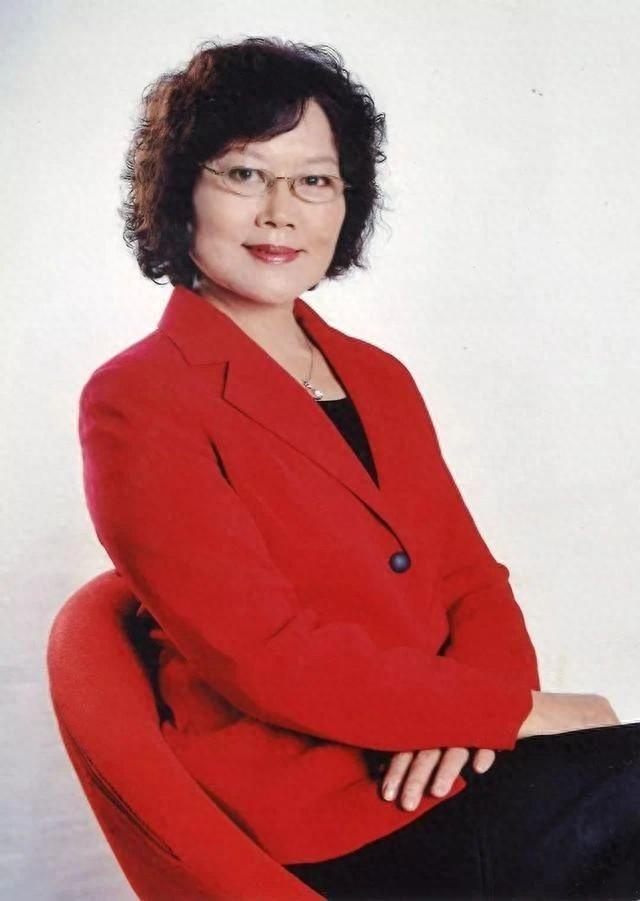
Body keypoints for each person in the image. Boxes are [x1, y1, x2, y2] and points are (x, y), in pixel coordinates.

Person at [78, 36, 640, 899]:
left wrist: (477, 723)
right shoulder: (138, 398)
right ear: (180, 190)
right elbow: (268, 657)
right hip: (323, 818)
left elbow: (469, 580)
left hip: (452, 773)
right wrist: (514, 712)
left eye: (314, 180)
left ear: (347, 202)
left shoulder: (379, 377)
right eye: (244, 173)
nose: (280, 211)